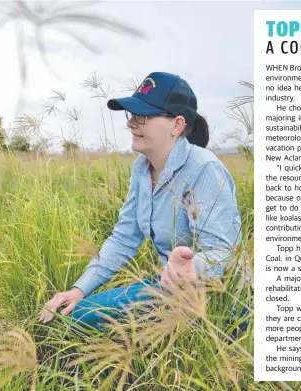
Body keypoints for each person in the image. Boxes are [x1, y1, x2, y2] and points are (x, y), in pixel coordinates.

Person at [40, 72, 243, 331]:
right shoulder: (142, 168)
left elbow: (222, 252)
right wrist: (79, 289)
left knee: (87, 319)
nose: (131, 124)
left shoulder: (204, 170)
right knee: (76, 314)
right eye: (131, 115)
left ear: (177, 124)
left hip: (215, 298)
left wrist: (192, 267)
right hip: (169, 287)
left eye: (143, 116)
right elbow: (124, 238)